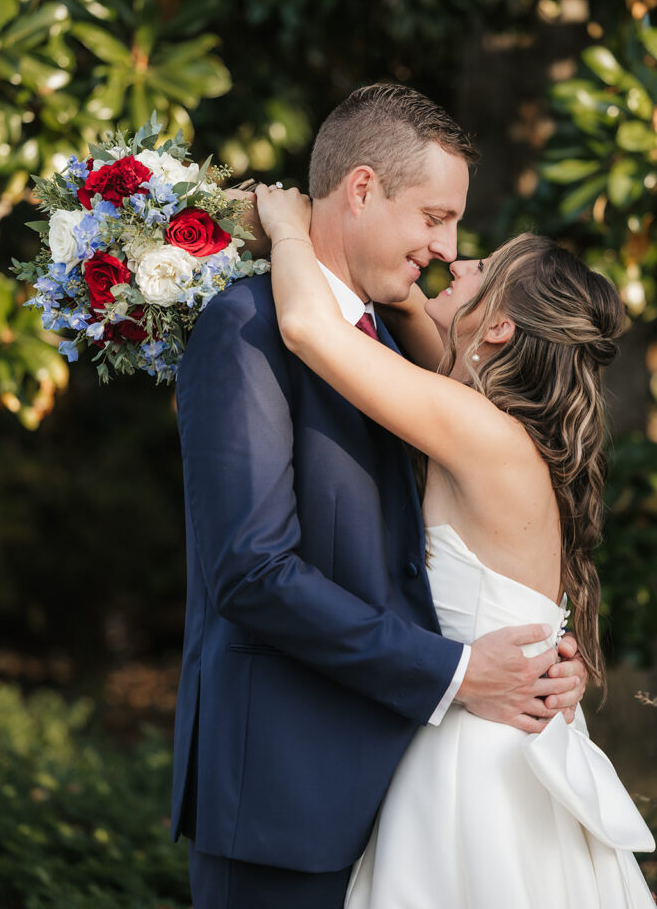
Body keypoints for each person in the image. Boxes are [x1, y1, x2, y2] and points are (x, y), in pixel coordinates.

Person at [172, 83, 588, 909]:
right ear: (361, 189)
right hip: (290, 797)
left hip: (420, 791)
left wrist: (538, 660)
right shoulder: (250, 325)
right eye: (435, 217)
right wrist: (460, 671)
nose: (445, 248)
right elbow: (251, 572)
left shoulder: (398, 354)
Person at [255, 180, 656, 907]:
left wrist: (286, 228)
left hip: (475, 759)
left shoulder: (478, 432)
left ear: (498, 327)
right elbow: (435, 344)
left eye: (482, 266)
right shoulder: (502, 433)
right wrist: (412, 296)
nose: (457, 262)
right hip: (509, 737)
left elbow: (308, 330)